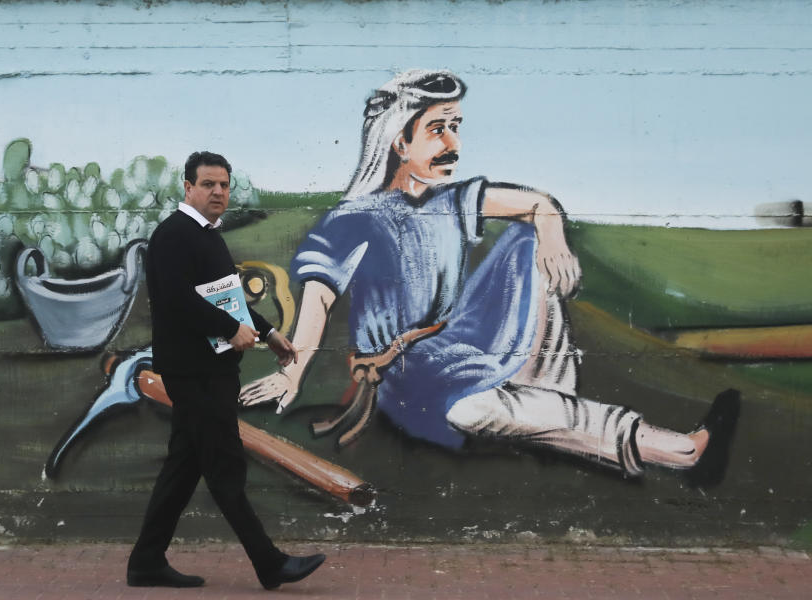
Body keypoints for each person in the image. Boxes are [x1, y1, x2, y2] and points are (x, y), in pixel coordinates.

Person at [240, 70, 739, 486]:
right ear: (400, 141)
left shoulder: (454, 201)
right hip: (411, 377)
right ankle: (682, 453)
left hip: (463, 344)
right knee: (483, 410)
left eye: (455, 126)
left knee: (528, 240)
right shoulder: (354, 219)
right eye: (438, 129)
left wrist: (551, 232)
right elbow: (319, 300)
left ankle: (546, 399)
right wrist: (293, 370)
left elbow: (538, 204)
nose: (453, 142)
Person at [127, 151, 325, 589]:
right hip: (194, 371)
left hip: (211, 369)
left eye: (224, 185)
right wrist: (228, 328)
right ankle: (269, 564)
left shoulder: (208, 236)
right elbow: (177, 301)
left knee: (184, 466)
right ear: (188, 187)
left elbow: (227, 300)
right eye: (208, 184)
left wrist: (267, 331)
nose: (218, 192)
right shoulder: (174, 235)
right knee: (224, 464)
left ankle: (145, 562)